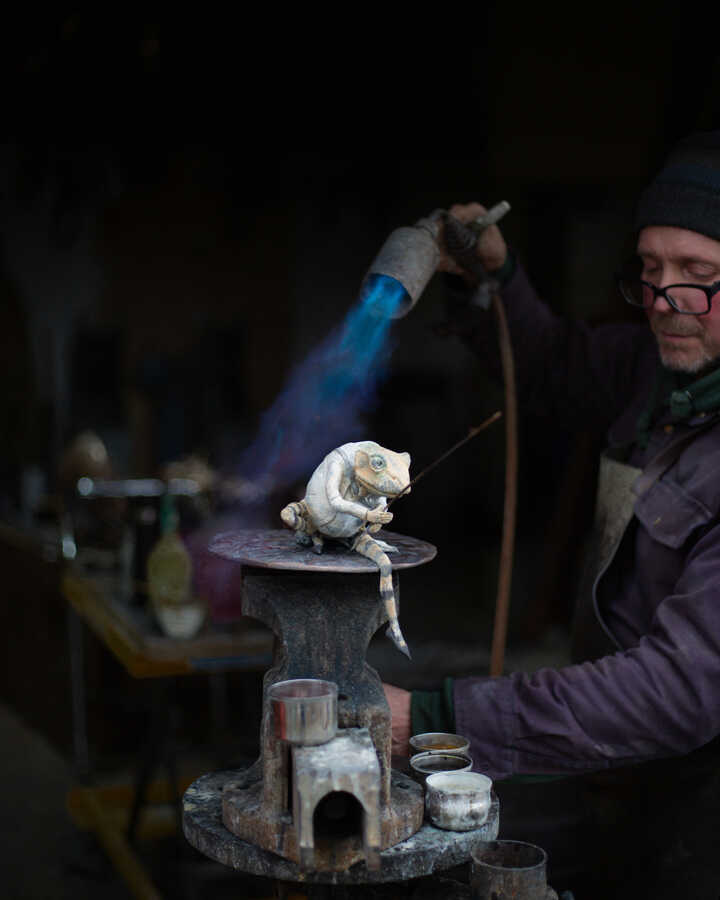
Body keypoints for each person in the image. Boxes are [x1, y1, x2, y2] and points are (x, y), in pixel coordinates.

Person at [384, 131, 720, 898]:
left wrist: (439, 717)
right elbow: (551, 362)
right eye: (649, 272)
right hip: (627, 770)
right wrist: (493, 279)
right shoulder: (659, 370)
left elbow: (677, 690)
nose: (664, 303)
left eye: (698, 277)